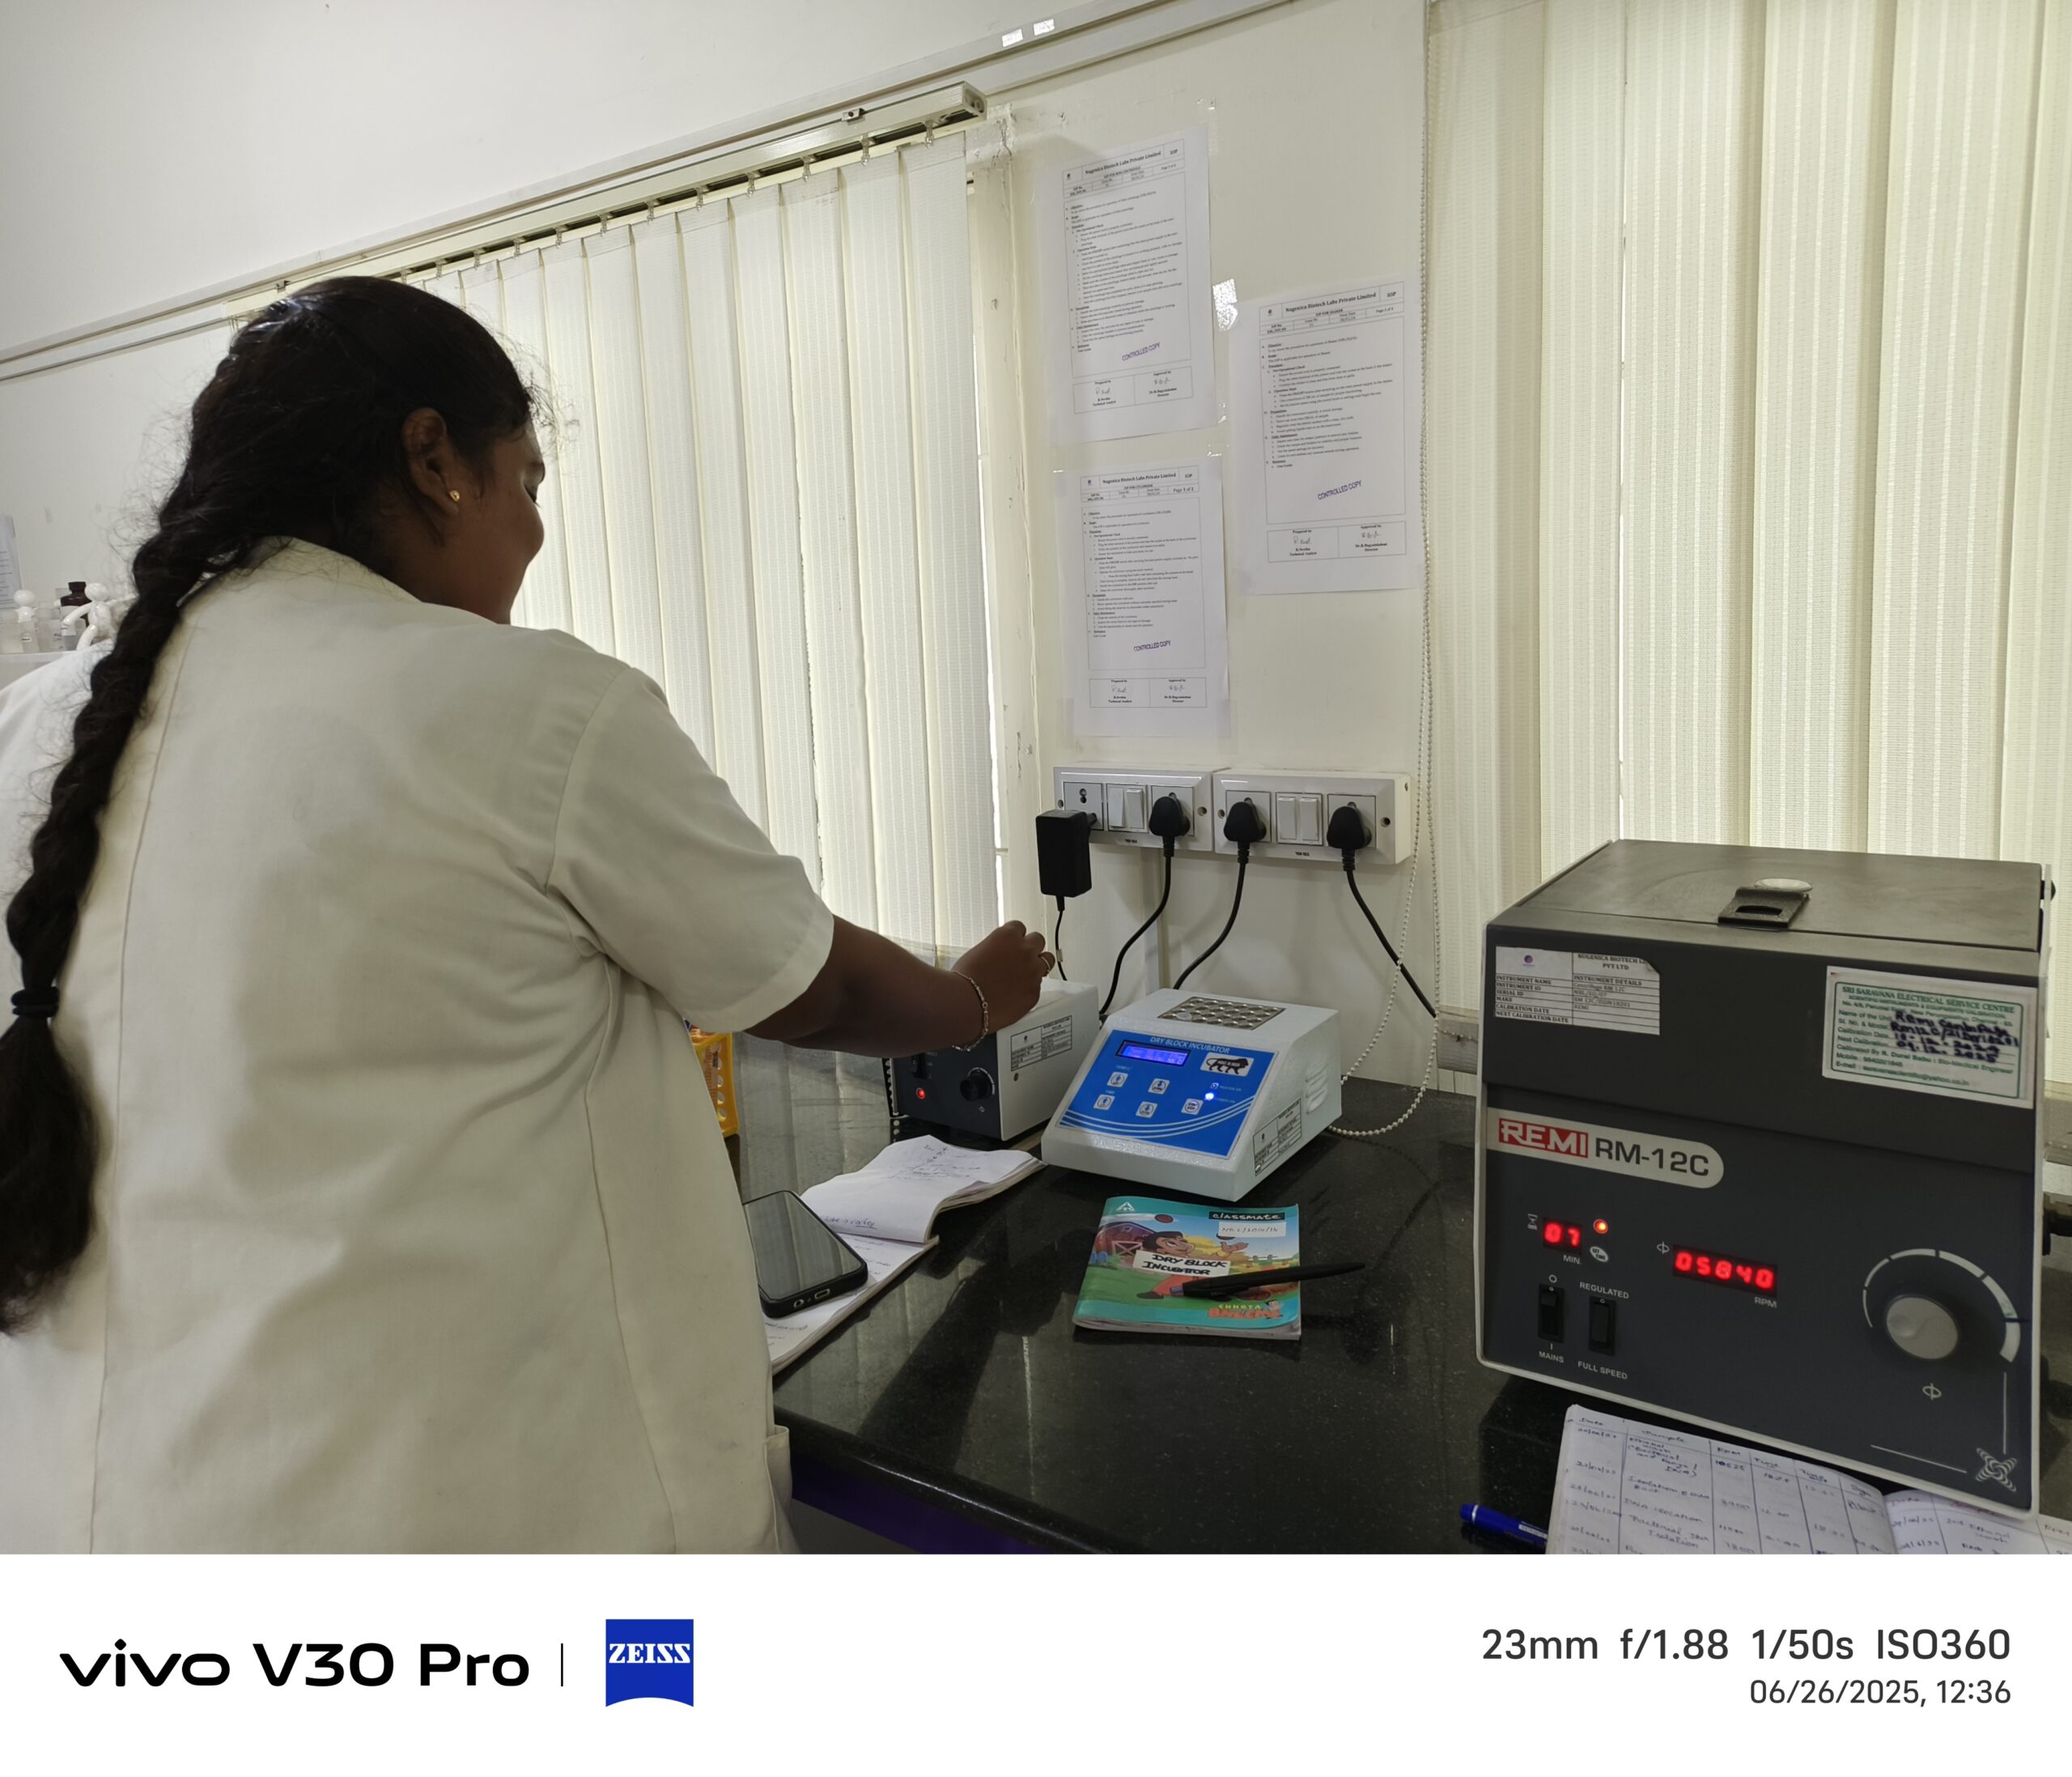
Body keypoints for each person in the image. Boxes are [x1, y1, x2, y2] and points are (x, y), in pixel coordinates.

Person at [0, 278, 1050, 1552]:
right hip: (434, 1520)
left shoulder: (38, 724)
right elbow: (811, 987)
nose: (536, 530)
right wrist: (978, 997)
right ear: (436, 460)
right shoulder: (519, 704)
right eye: (529, 481)